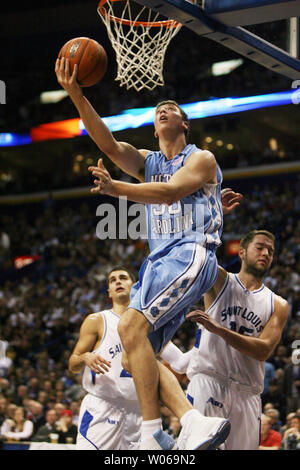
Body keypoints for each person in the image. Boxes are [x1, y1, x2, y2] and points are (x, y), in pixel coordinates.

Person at [56, 57, 243, 450]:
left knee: (130, 329)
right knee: (134, 354)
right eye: (159, 109)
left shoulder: (201, 158)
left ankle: (152, 435)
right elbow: (107, 143)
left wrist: (117, 190)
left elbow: (171, 191)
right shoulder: (148, 161)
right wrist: (77, 96)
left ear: (184, 124)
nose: (164, 109)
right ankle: (190, 424)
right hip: (159, 261)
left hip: (190, 254)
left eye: (172, 109)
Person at [69, 267, 195, 450]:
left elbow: (181, 363)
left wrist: (207, 338)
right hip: (104, 407)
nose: (118, 282)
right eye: (113, 280)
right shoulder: (97, 320)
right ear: (109, 292)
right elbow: (73, 363)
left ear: (134, 285)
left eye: (123, 278)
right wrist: (85, 357)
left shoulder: (149, 326)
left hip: (139, 412)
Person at [186, 230, 289, 450]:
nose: (265, 253)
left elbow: (263, 350)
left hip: (248, 393)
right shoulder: (220, 279)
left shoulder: (278, 303)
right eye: (260, 247)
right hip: (211, 380)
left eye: (270, 251)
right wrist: (213, 208)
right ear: (241, 252)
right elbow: (195, 252)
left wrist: (220, 330)